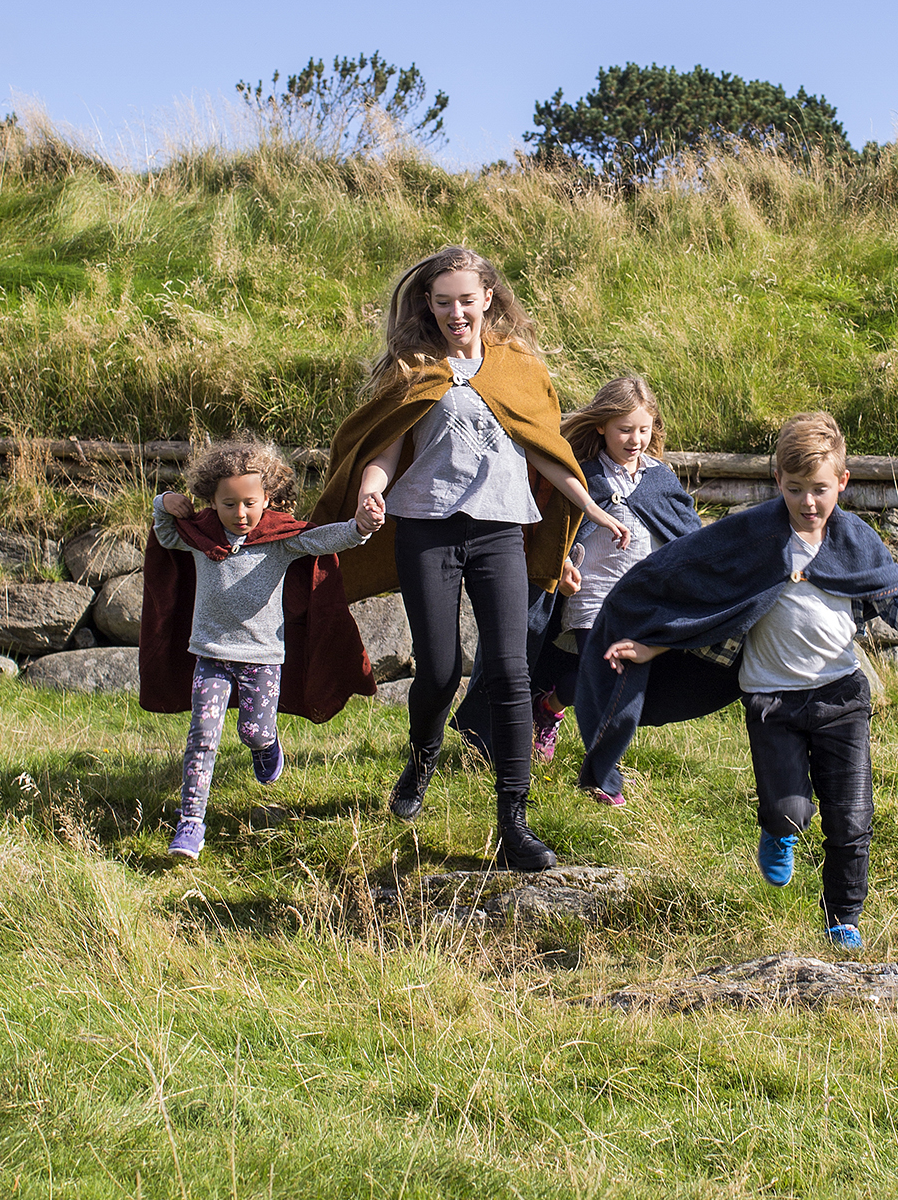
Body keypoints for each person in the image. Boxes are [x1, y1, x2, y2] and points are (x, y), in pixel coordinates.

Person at [310, 244, 630, 872]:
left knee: (511, 673)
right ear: (427, 306)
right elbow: (385, 447)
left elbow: (544, 450)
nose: (456, 312)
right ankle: (423, 755)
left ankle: (514, 820)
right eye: (442, 301)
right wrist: (371, 489)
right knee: (439, 669)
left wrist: (589, 509)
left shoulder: (517, 368)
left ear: (488, 298)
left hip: (499, 532)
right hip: (426, 530)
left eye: (466, 300)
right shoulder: (412, 368)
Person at [578, 411, 898, 947]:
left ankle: (843, 918)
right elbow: (709, 597)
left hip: (841, 695)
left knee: (852, 818)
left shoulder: (853, 540)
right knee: (789, 811)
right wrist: (655, 642)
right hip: (772, 701)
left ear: (842, 482)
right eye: (795, 489)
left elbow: (889, 595)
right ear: (778, 481)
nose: (809, 502)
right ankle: (777, 830)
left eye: (820, 489)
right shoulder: (752, 536)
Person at [144, 435, 380, 860]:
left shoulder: (279, 538)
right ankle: (191, 824)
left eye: (250, 503)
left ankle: (267, 745)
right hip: (211, 655)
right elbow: (165, 534)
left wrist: (360, 526)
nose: (241, 513)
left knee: (253, 730)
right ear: (212, 501)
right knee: (202, 736)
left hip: (262, 660)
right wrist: (164, 501)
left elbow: (327, 539)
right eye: (229, 504)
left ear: (267, 497)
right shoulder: (199, 536)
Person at [527, 373, 699, 805]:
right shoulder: (581, 477)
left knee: (598, 679)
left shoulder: (661, 478)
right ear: (601, 426)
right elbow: (552, 531)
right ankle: (604, 776)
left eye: (643, 429)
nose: (635, 439)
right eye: (625, 429)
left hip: (641, 601)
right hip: (591, 595)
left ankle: (549, 705)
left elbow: (687, 534)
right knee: (605, 674)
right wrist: (561, 564)